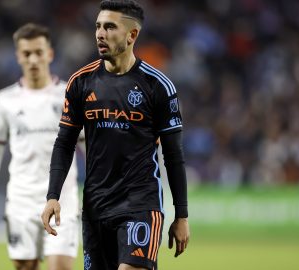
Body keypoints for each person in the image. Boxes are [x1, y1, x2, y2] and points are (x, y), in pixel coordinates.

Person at [41, 1, 190, 269]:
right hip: (96, 207)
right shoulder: (80, 82)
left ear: (132, 35)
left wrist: (181, 215)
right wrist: (53, 195)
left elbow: (173, 155)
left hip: (140, 203)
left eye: (110, 27)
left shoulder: (157, 86)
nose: (100, 33)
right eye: (98, 26)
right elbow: (64, 143)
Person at [0, 23, 80, 270]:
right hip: (21, 199)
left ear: (50, 54)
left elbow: (91, 145)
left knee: (60, 267)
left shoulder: (69, 95)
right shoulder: (5, 100)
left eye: (38, 52)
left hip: (62, 200)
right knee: (25, 266)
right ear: (18, 57)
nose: (33, 59)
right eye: (26, 53)